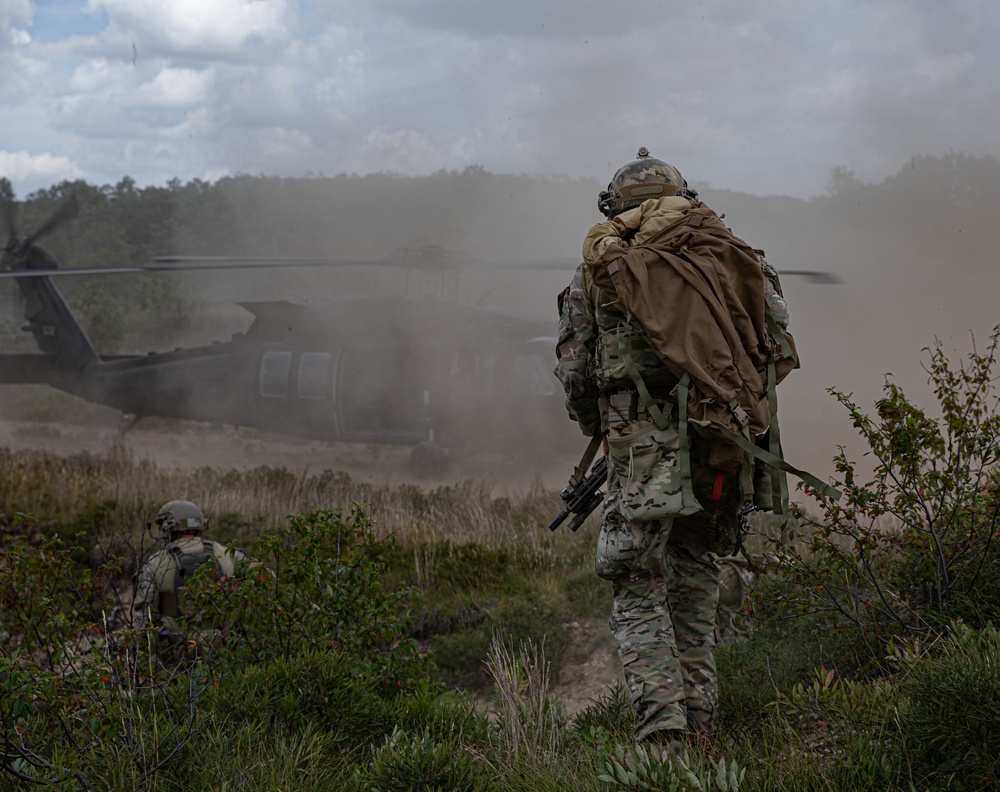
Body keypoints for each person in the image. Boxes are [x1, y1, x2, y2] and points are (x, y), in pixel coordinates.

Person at [554, 148, 793, 745]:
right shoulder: (737, 261)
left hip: (641, 456)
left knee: (636, 585)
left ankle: (664, 740)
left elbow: (577, 376)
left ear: (617, 205)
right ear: (683, 196)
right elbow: (779, 355)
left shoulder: (600, 272)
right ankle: (703, 729)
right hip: (723, 450)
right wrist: (718, 408)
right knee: (697, 578)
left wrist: (610, 427)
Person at [132, 500, 248, 653]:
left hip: (173, 655)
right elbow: (267, 577)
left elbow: (141, 615)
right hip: (223, 652)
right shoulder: (228, 554)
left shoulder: (155, 562)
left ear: (168, 527)